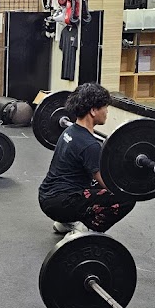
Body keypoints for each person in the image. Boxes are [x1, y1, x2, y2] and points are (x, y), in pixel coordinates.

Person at [38, 83, 136, 235]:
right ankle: (85, 229)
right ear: (93, 110)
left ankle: (67, 222)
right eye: (104, 106)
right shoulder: (90, 145)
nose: (107, 111)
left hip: (48, 197)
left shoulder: (70, 131)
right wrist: (131, 183)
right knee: (126, 198)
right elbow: (108, 184)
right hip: (62, 203)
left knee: (93, 184)